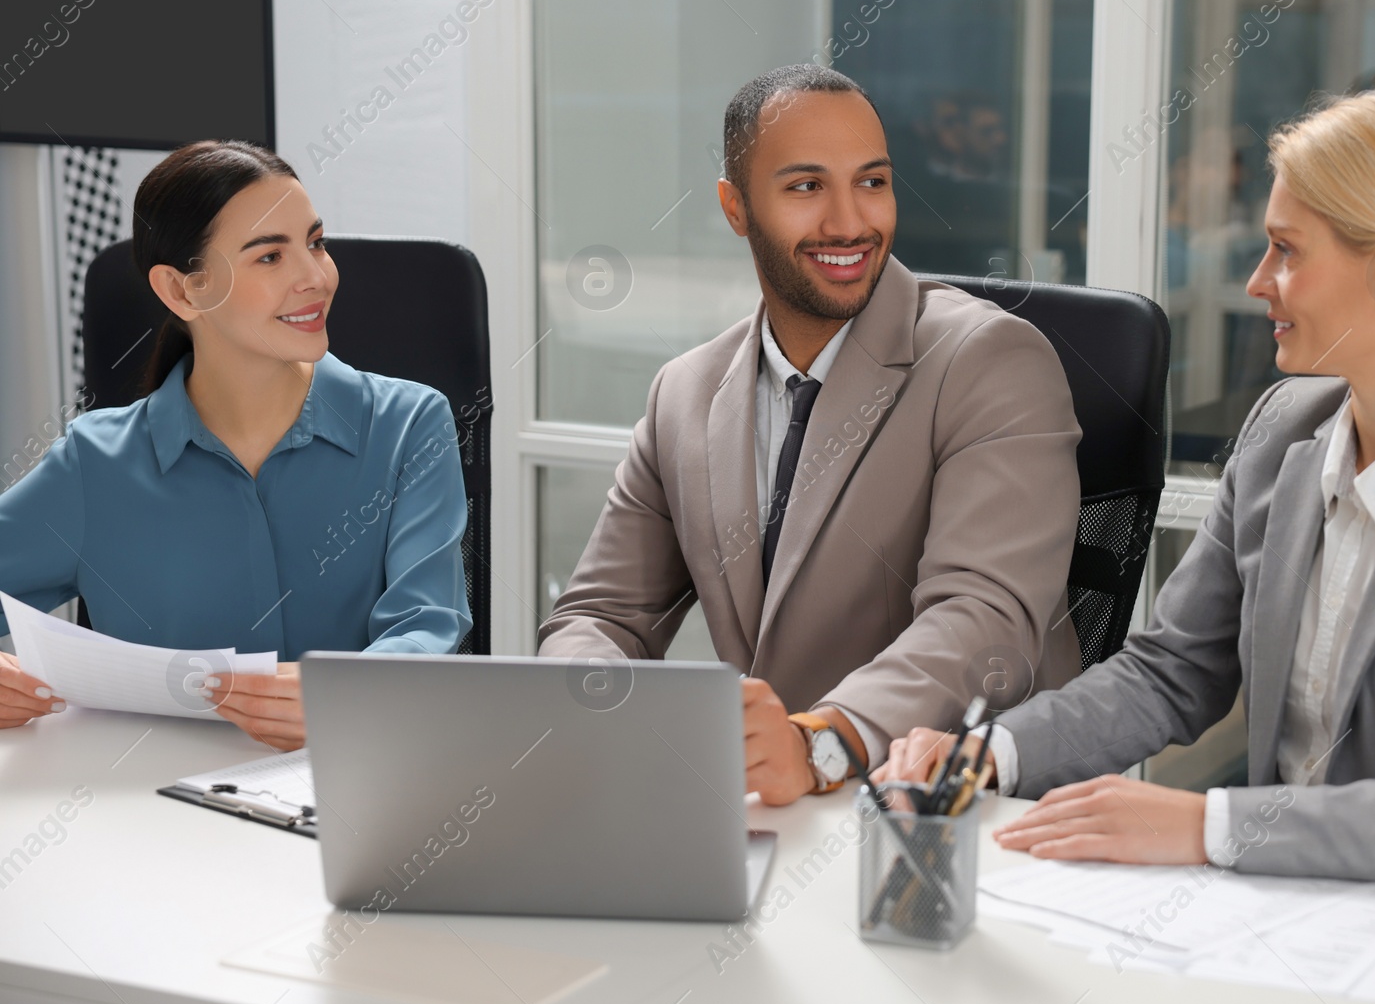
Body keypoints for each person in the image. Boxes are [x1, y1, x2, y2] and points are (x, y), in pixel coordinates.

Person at [880, 87, 1375, 886]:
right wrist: (990, 753)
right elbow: (1172, 671)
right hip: (1279, 914)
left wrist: (1210, 823)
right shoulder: (1283, 430)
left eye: (1287, 250)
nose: (1258, 281)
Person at [538, 64, 1082, 806]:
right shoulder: (685, 394)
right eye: (805, 187)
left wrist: (819, 741)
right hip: (773, 813)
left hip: (952, 816)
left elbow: (982, 623)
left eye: (872, 182)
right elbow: (600, 616)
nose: (849, 222)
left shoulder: (990, 361)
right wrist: (602, 709)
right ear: (736, 207)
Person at [0, 141, 472, 748]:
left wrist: (344, 694)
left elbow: (427, 624)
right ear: (182, 291)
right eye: (271, 256)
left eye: (316, 242)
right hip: (148, 809)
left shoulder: (410, 425)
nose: (316, 276)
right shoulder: (96, 463)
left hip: (349, 783)